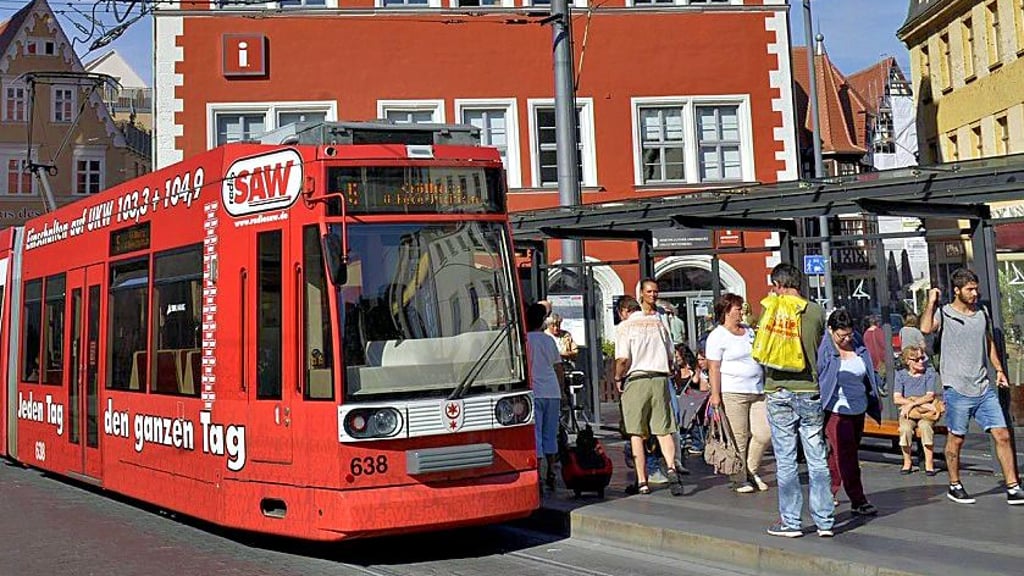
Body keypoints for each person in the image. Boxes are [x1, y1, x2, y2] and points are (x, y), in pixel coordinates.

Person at [920, 268, 1022, 505]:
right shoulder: (944, 314)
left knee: (1003, 435)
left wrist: (998, 370)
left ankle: (1013, 486)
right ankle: (955, 484)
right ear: (957, 291)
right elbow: (925, 328)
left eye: (976, 288)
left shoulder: (981, 313)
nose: (975, 293)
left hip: (983, 387)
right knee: (957, 438)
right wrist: (931, 302)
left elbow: (987, 343)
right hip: (956, 388)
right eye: (969, 289)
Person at [759, 263, 833, 538]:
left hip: (778, 389)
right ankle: (825, 521)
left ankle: (791, 522)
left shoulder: (770, 308)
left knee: (786, 458)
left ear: (777, 285)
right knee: (816, 457)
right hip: (808, 389)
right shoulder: (815, 311)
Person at [614, 280, 684, 496]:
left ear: (623, 311)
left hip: (637, 380)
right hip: (660, 379)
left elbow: (623, 359)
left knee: (635, 433)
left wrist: (617, 377)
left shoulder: (625, 327)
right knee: (664, 430)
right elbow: (672, 355)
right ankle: (671, 467)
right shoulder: (659, 323)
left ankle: (642, 481)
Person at [818, 308, 882, 517]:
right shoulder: (825, 350)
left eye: (849, 334)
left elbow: (868, 372)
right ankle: (858, 499)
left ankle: (827, 491)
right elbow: (818, 375)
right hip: (837, 411)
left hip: (859, 408)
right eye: (841, 335)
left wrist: (876, 392)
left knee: (841, 454)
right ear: (831, 330)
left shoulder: (858, 345)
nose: (846, 339)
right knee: (848, 456)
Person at [706, 293, 769, 493]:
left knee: (764, 433)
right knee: (739, 437)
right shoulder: (717, 336)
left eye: (742, 308)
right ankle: (738, 478)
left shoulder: (749, 332)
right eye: (737, 308)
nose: (741, 312)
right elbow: (714, 367)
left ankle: (751, 469)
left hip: (757, 389)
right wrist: (715, 395)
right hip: (733, 391)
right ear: (726, 311)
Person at [526, 302, 565, 491]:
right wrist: (562, 390)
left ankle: (538, 474)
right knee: (551, 433)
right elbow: (558, 367)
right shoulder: (548, 340)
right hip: (552, 391)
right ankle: (551, 470)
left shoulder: (524, 340)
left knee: (536, 434)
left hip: (534, 392)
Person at [893, 345, 940, 475]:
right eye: (917, 359)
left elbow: (930, 395)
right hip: (909, 413)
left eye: (922, 358)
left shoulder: (929, 373)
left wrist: (910, 403)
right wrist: (912, 404)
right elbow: (897, 398)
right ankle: (907, 461)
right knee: (905, 429)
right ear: (908, 361)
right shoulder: (901, 375)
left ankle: (929, 463)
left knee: (925, 427)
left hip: (925, 413)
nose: (921, 361)